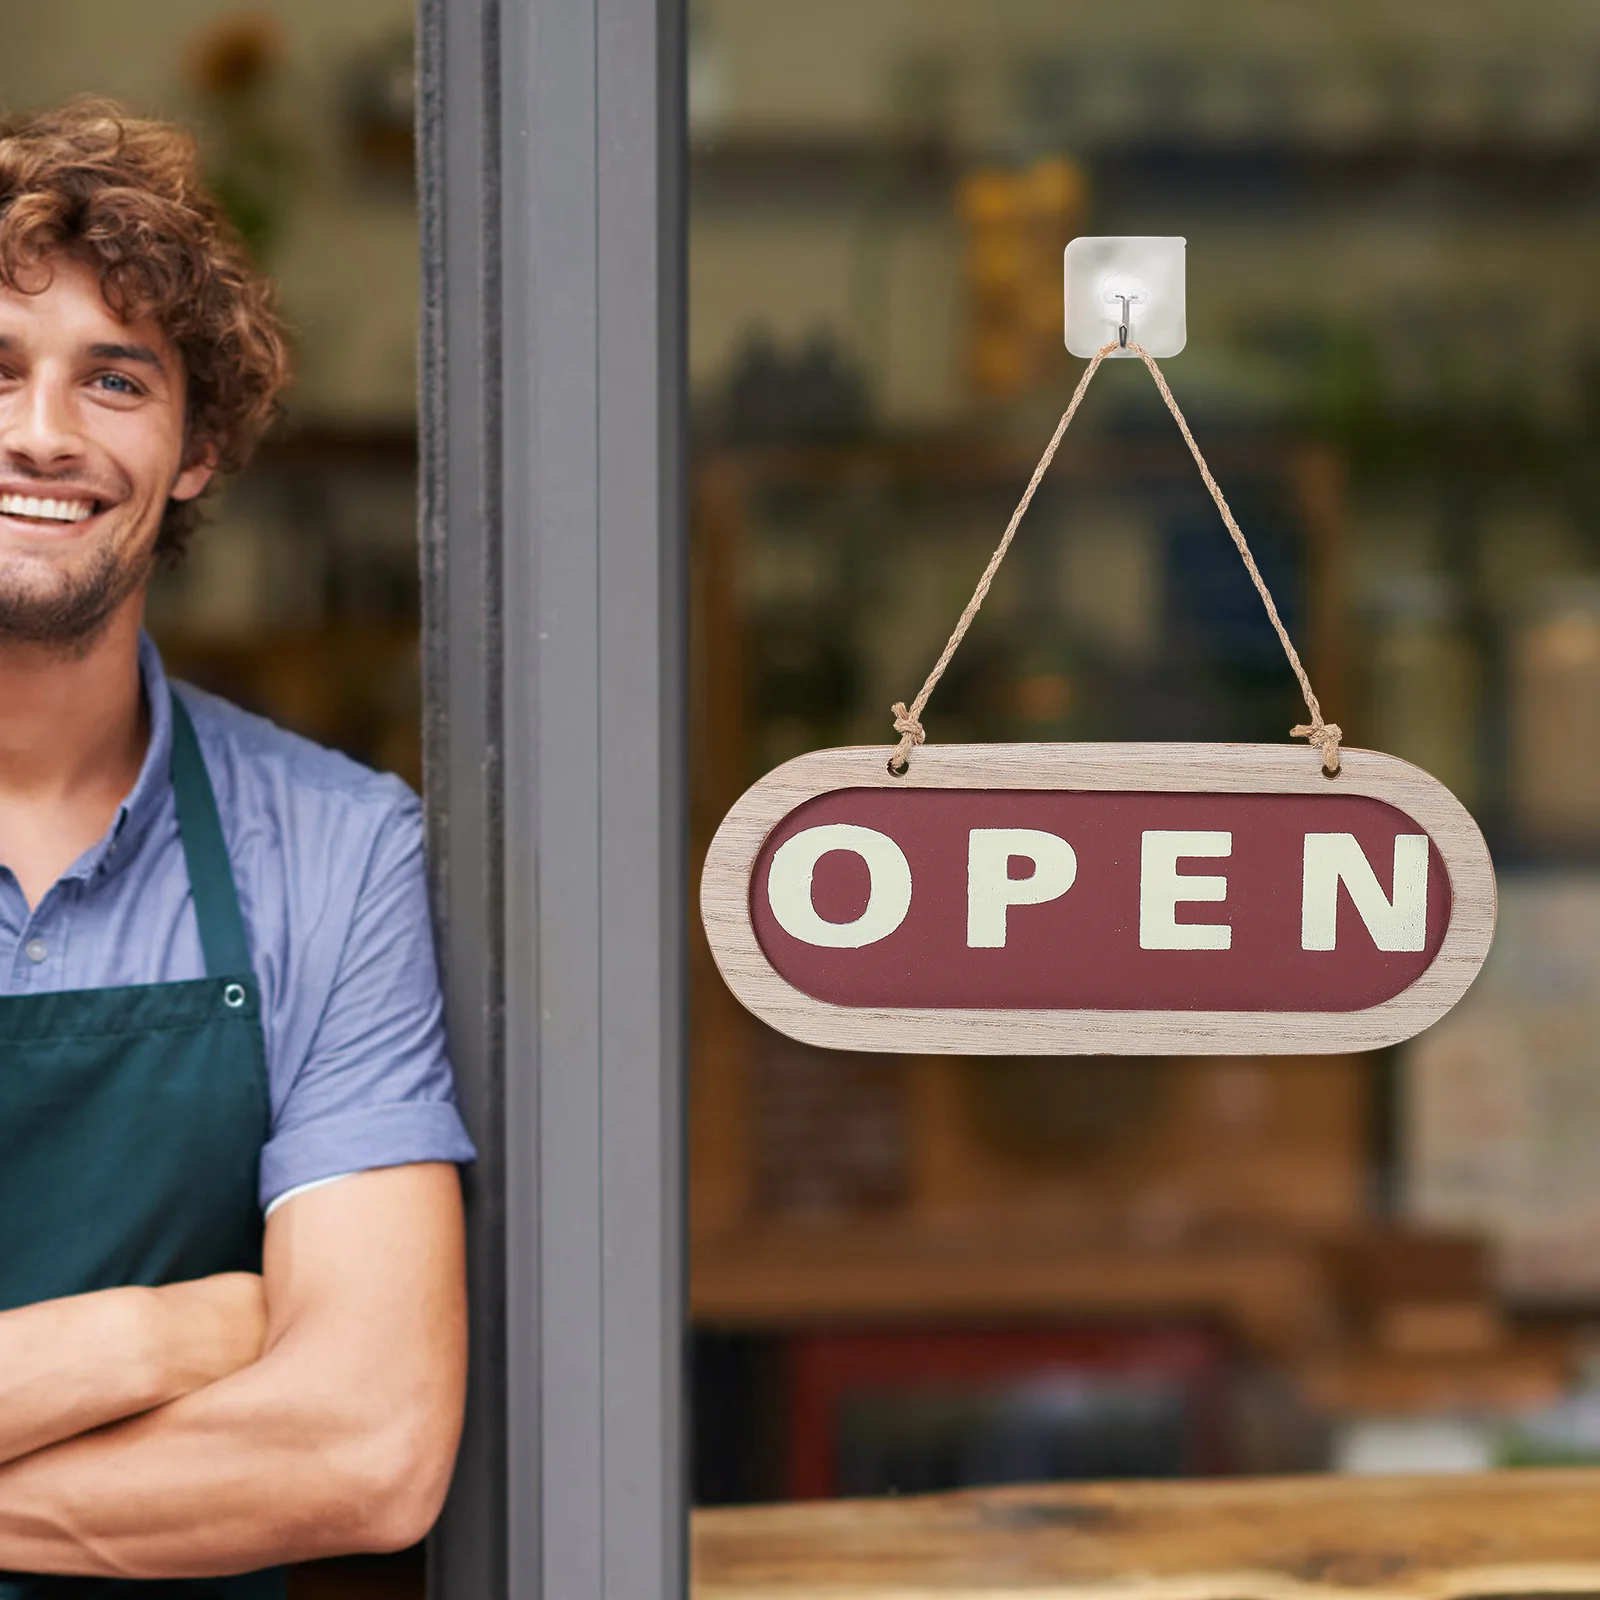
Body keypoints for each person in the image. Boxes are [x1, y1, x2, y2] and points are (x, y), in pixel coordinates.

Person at [0, 100, 475, 1595]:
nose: (44, 432)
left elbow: (372, 1450)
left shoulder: (336, 854)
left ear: (200, 446)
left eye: (116, 379)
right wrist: (162, 1331)